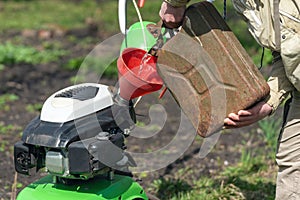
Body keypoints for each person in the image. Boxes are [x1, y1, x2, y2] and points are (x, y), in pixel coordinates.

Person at [159, 0, 300, 199]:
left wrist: (174, 4)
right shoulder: (246, 4)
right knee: (293, 162)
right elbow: (287, 54)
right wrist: (270, 102)